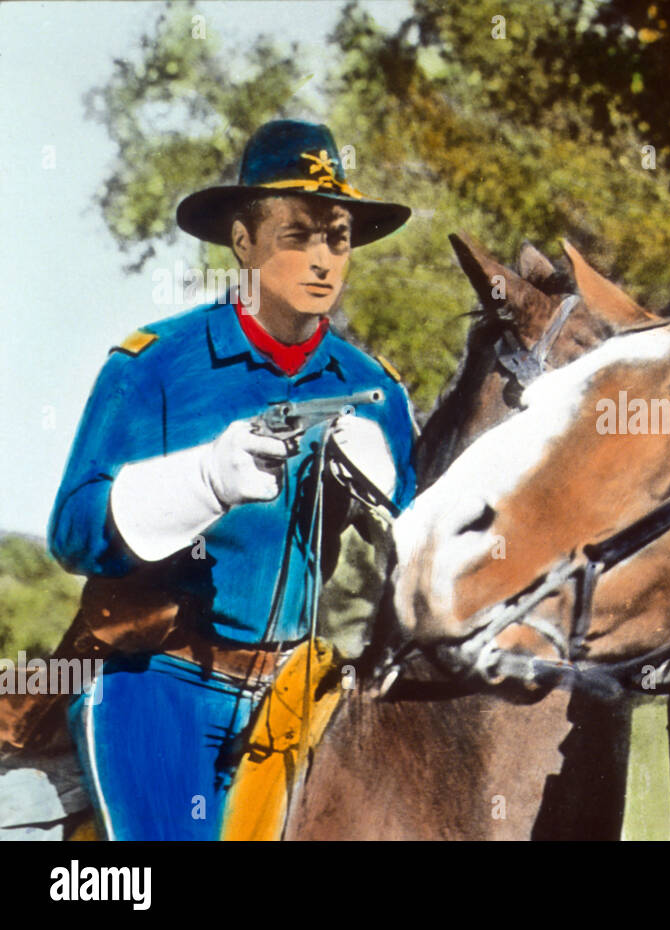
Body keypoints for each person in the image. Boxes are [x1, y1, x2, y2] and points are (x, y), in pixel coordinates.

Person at [46, 119, 419, 840]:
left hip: (300, 692)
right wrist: (201, 482)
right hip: (157, 686)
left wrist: (393, 497)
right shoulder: (154, 365)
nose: (323, 260)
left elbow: (430, 558)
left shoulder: (375, 390)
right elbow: (72, 532)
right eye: (298, 234)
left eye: (338, 237)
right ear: (243, 242)